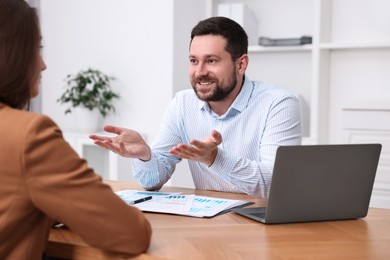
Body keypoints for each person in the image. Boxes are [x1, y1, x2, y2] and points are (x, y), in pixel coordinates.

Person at [0, 0, 151, 259]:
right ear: (11, 54)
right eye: (36, 49)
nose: (43, 65)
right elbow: (132, 234)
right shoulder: (29, 135)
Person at [90, 16, 301, 199]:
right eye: (193, 60)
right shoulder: (183, 103)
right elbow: (151, 181)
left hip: (264, 226)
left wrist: (215, 158)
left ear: (241, 64)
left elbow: (276, 186)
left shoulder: (278, 104)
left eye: (211, 61)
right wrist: (145, 156)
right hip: (207, 224)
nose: (199, 72)